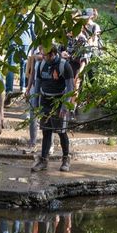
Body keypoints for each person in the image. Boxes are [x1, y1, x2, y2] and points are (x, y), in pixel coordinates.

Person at [31, 45, 76, 173]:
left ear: (52, 54)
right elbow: (37, 86)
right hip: (45, 101)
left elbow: (70, 88)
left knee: (61, 132)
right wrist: (36, 106)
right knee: (46, 131)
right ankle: (43, 160)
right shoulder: (41, 65)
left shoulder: (64, 66)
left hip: (59, 101)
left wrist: (64, 106)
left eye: (45, 55)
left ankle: (66, 159)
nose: (42, 57)